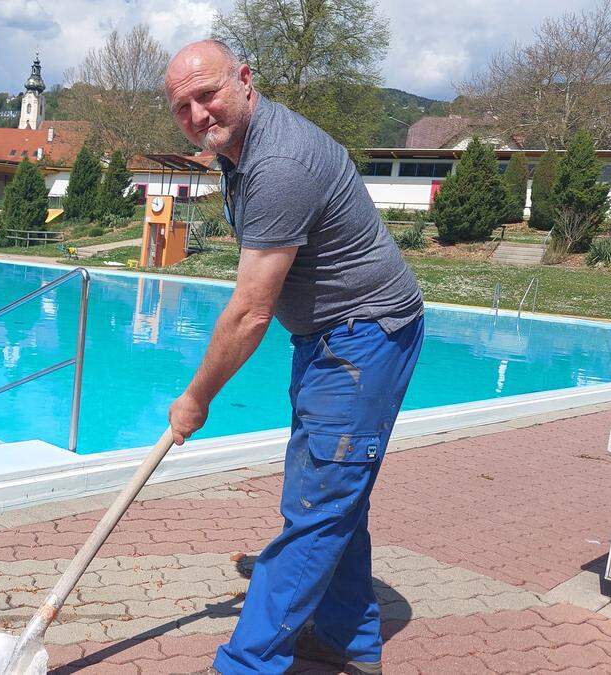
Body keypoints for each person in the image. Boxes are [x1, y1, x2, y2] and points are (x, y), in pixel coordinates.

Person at [163, 40, 425, 674]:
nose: (199, 113)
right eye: (183, 106)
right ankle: (348, 640)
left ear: (245, 80)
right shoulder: (241, 148)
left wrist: (196, 397)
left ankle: (247, 665)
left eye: (209, 94)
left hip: (364, 337)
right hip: (329, 336)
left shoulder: (280, 162)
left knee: (315, 510)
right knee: (335, 500)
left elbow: (250, 312)